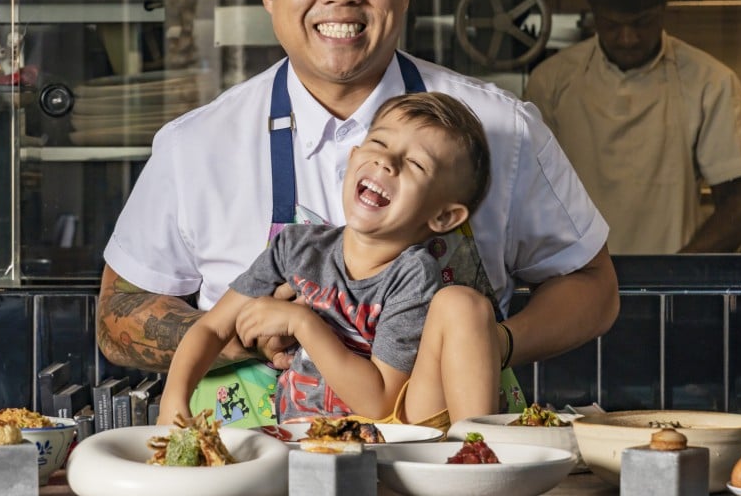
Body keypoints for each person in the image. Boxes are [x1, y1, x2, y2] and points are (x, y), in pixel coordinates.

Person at [97, 0, 619, 427]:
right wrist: (241, 332)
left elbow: (594, 286)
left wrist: (493, 342)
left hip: (435, 463)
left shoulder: (503, 128)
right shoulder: (193, 146)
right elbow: (117, 312)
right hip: (252, 467)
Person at [157, 92, 500, 429]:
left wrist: (302, 323)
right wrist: (174, 398)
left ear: (443, 217)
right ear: (353, 158)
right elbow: (212, 327)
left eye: (415, 164)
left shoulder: (413, 275)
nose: (387, 162)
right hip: (298, 434)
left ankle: (479, 455)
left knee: (461, 303)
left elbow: (378, 404)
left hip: (393, 437)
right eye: (379, 144)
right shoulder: (296, 247)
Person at [524, 0, 741, 254]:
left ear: (664, 10)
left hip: (670, 282)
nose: (627, 38)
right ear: (593, 13)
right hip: (576, 280)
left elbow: (738, 210)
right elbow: (531, 195)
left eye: (643, 22)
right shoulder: (551, 81)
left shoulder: (711, 82)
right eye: (611, 24)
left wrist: (673, 277)